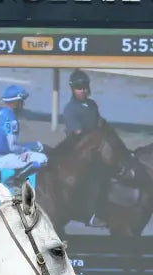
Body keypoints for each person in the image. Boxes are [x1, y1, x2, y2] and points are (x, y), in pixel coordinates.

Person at [62, 68, 107, 227]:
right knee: (91, 177)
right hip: (78, 151)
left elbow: (101, 124)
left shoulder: (92, 104)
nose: (83, 91)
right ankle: (89, 215)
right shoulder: (70, 109)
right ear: (73, 89)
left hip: (97, 146)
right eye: (79, 88)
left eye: (85, 87)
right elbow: (78, 134)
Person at [0, 85, 48, 177]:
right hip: (3, 158)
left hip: (2, 153)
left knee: (38, 145)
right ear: (14, 103)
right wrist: (26, 150)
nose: (23, 105)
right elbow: (12, 147)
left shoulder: (2, 112)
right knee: (42, 159)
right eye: (21, 102)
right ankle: (17, 179)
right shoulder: (11, 119)